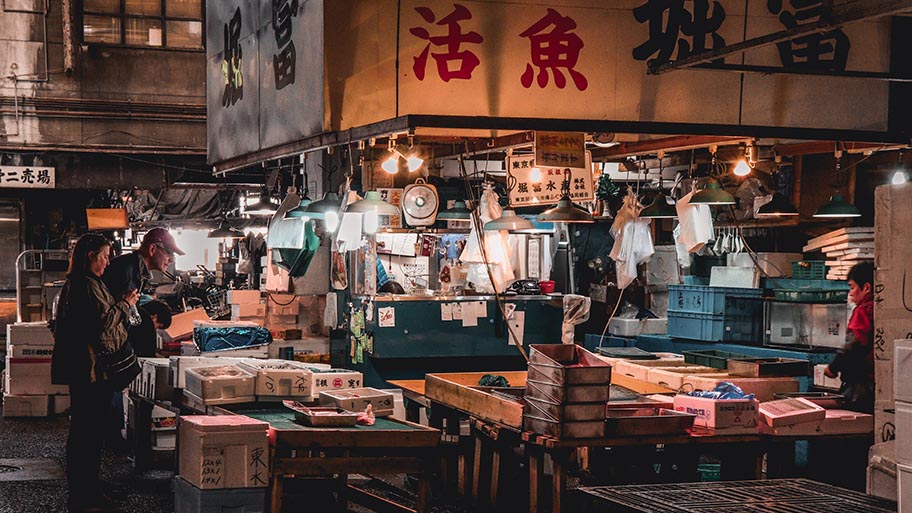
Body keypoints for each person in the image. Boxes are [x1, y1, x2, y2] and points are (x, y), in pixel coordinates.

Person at [51, 233, 140, 513]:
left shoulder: (88, 283)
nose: (107, 261)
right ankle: (83, 494)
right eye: (104, 255)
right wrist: (125, 303)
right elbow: (103, 322)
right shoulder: (84, 285)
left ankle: (90, 485)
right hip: (87, 371)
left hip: (91, 370)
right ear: (90, 256)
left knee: (90, 432)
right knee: (85, 433)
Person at [825, 261, 875, 414]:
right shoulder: (881, 309)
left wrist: (832, 368)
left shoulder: (863, 311)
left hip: (860, 389)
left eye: (852, 287)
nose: (851, 293)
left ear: (866, 287)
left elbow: (854, 344)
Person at [102, 227, 184, 300]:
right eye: (168, 253)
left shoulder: (139, 271)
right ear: (152, 249)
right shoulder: (123, 270)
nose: (171, 260)